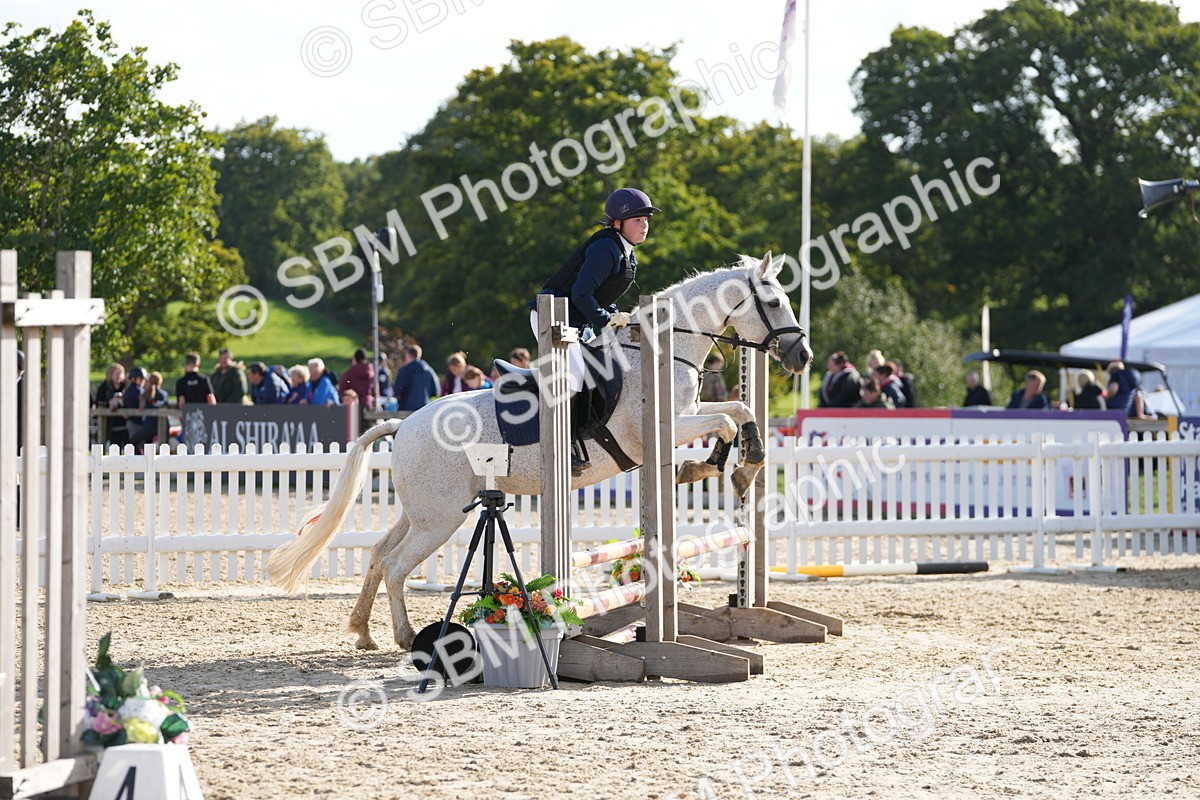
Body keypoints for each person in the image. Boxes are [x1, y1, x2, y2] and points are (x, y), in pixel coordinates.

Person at [529, 187, 659, 474]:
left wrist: (614, 314)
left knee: (602, 370)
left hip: (577, 321)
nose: (644, 226)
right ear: (617, 223)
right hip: (552, 317)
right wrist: (604, 319)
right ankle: (563, 446)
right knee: (576, 374)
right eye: (637, 220)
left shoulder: (626, 252)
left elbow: (601, 294)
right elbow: (581, 293)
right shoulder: (606, 248)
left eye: (646, 220)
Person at [394, 343, 439, 412]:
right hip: (425, 408)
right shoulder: (429, 370)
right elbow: (435, 391)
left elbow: (397, 390)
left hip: (406, 408)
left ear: (408, 355)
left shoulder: (404, 371)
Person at [132, 371, 169, 451]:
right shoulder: (162, 394)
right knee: (152, 446)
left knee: (134, 440)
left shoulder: (151, 394)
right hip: (159, 426)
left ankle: (139, 457)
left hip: (150, 426)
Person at [95, 363, 129, 448]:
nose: (119, 376)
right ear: (111, 374)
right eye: (116, 373)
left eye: (121, 373)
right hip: (109, 423)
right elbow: (98, 402)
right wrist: (109, 402)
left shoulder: (127, 387)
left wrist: (122, 402)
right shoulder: (104, 388)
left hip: (125, 422)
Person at [123, 367, 148, 453]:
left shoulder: (129, 390)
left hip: (134, 421)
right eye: (140, 378)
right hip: (135, 422)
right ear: (133, 378)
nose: (143, 381)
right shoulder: (136, 390)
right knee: (138, 447)